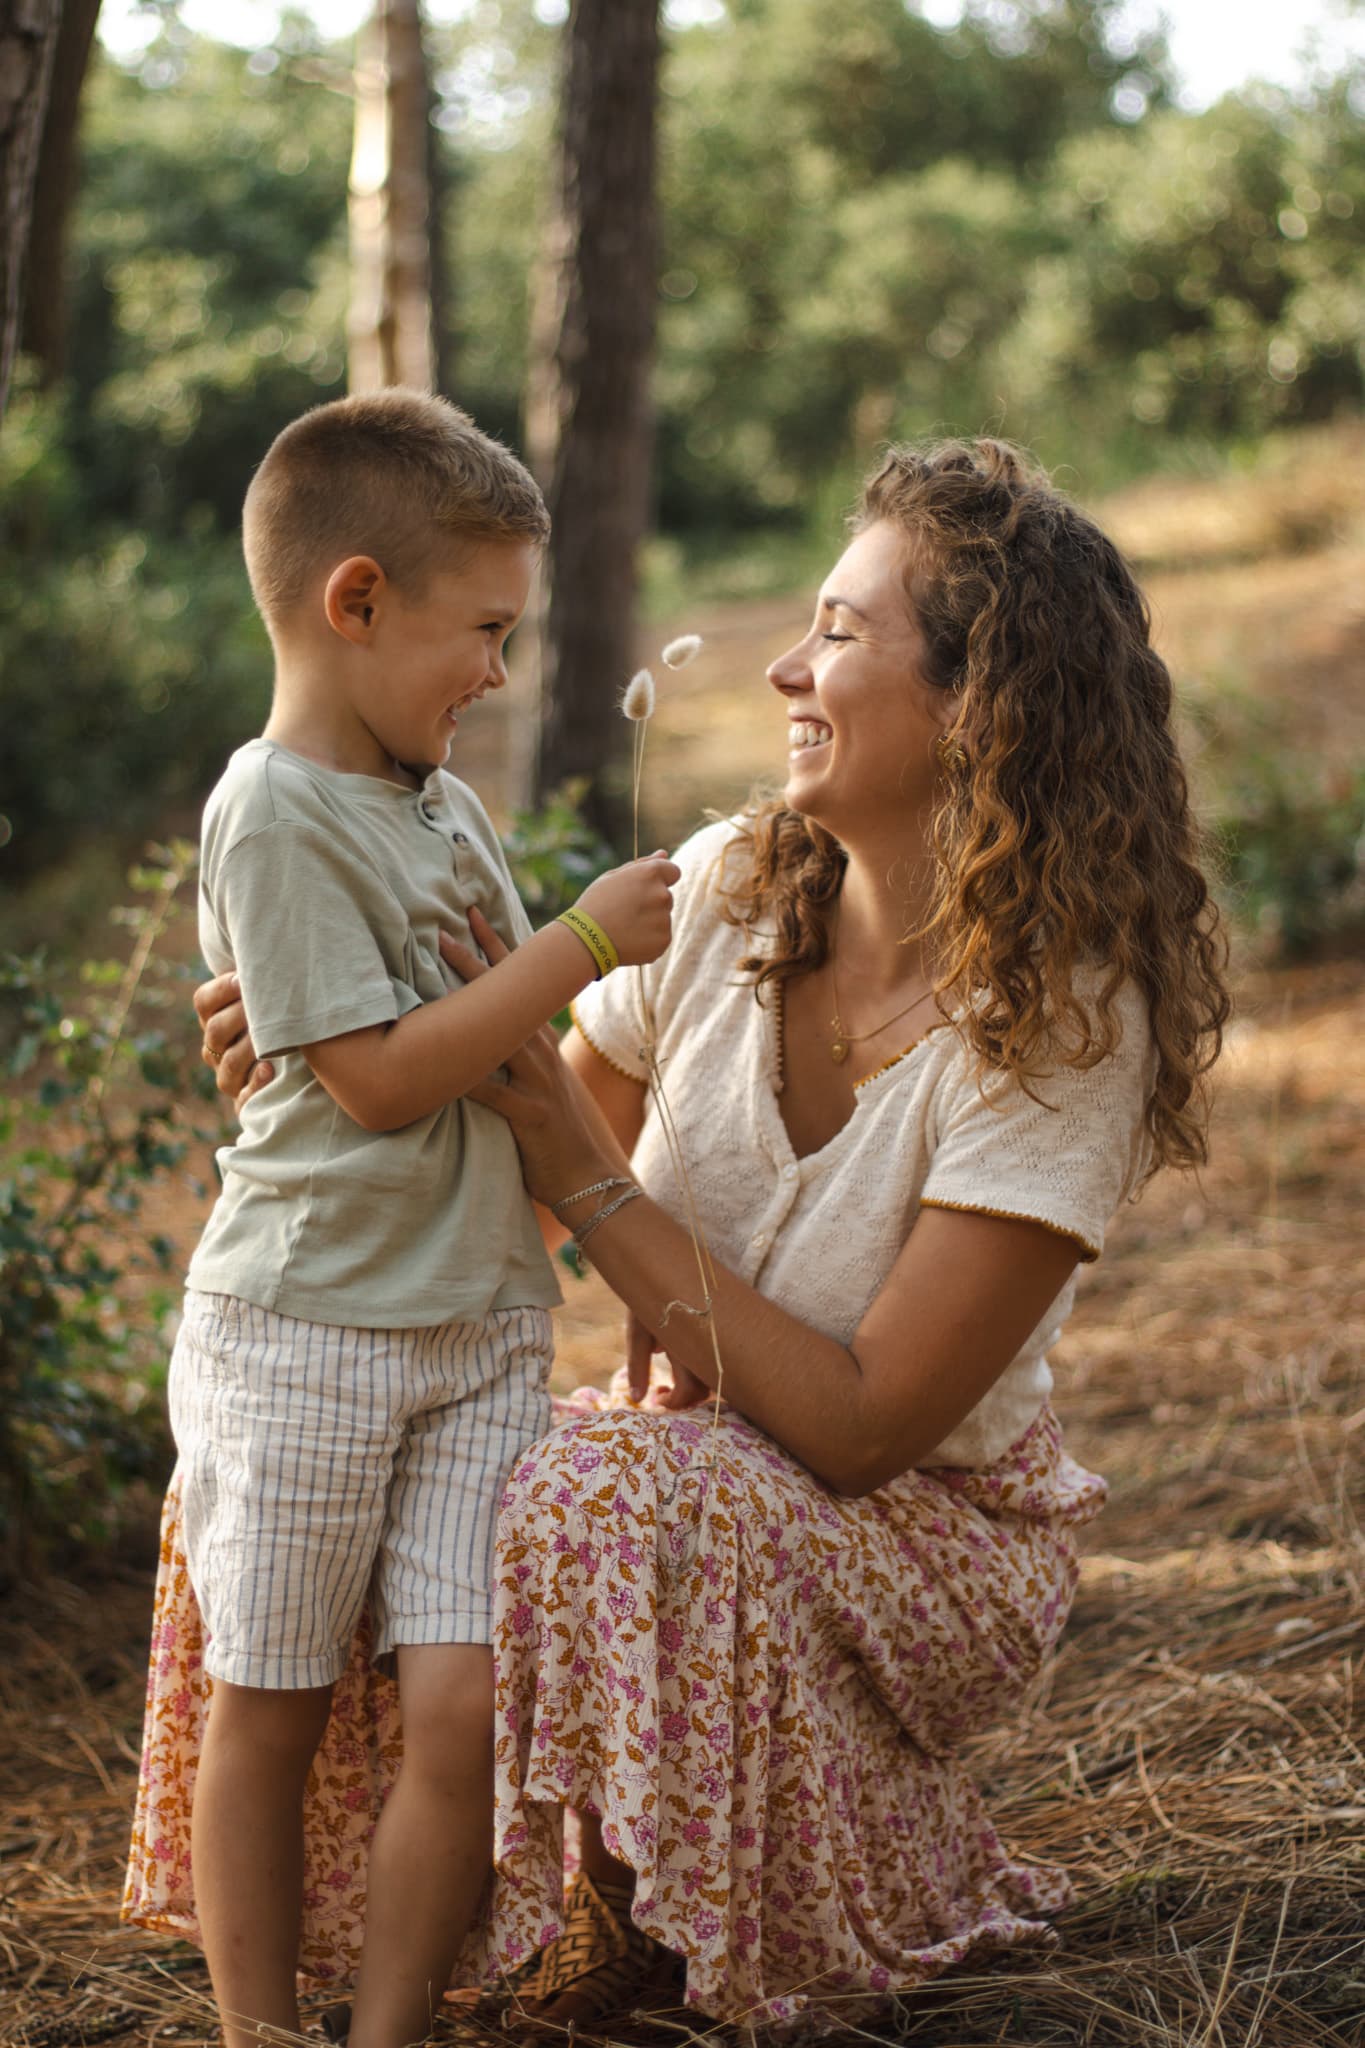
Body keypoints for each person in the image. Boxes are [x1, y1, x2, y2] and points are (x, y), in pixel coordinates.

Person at [128, 438, 1228, 2032]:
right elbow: (493, 1136)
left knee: (592, 1486)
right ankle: (399, 1960)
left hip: (922, 1538)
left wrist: (594, 1175)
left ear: (982, 704)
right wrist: (320, 1052)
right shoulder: (723, 891)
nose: (786, 663)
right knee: (304, 1450)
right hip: (701, 1478)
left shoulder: (1062, 1025)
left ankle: (727, 1894)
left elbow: (860, 1430)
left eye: (841, 635)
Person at [136, 387, 678, 2048]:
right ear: (352, 600)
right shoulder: (271, 806)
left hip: (478, 1330)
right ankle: (256, 2029)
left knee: (460, 1703)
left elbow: (497, 1049)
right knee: (275, 1701)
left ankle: (388, 2032)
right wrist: (583, 941)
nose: (499, 676)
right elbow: (375, 1083)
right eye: (483, 632)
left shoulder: (443, 808)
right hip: (306, 1331)